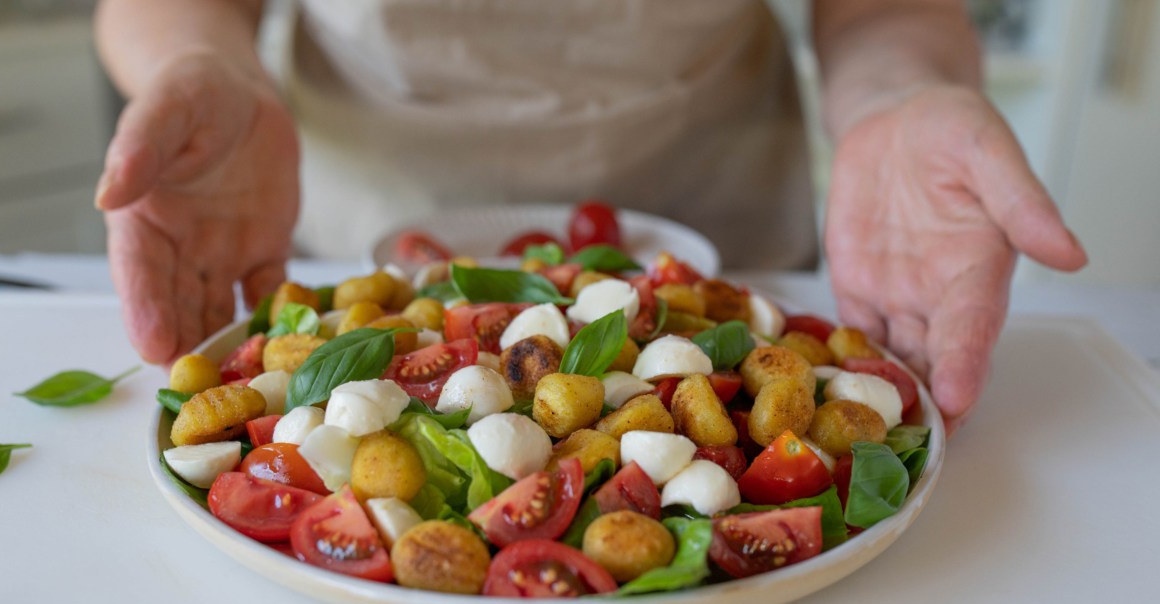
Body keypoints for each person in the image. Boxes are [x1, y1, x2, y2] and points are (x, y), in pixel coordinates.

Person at [92, 0, 1087, 434]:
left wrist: (898, 94)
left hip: (718, 228)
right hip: (359, 218)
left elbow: (885, 7)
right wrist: (200, 64)